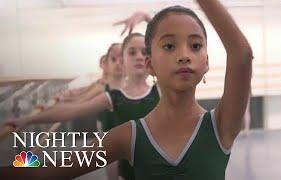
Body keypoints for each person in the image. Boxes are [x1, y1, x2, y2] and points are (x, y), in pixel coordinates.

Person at [2, 0, 252, 179]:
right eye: (169, 47)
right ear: (150, 64)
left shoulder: (220, 126)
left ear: (206, 62)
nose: (184, 55)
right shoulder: (128, 136)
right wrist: (28, 121)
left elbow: (241, 55)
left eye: (195, 46)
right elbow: (51, 170)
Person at [4, 33, 160, 180]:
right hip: (125, 167)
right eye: (132, 53)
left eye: (145, 52)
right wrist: (29, 119)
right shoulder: (114, 97)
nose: (139, 56)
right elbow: (73, 110)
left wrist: (146, 17)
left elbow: (168, 44)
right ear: (122, 61)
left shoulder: (162, 92)